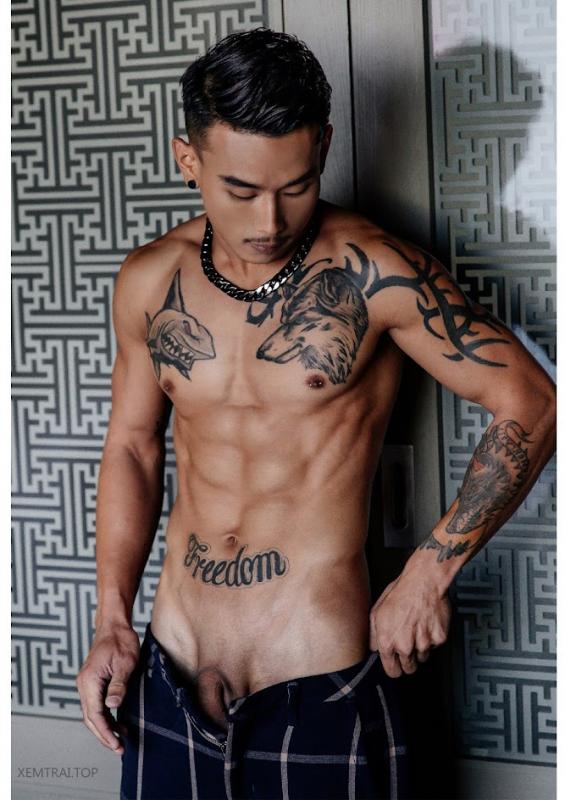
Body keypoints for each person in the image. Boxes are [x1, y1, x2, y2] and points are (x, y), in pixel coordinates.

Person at [75, 27, 556, 800]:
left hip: (319, 682)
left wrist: (429, 571)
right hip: (171, 670)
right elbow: (132, 445)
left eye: (295, 186)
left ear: (324, 146)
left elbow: (531, 401)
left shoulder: (377, 274)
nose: (269, 221)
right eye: (241, 191)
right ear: (187, 160)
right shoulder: (148, 280)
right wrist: (110, 619)